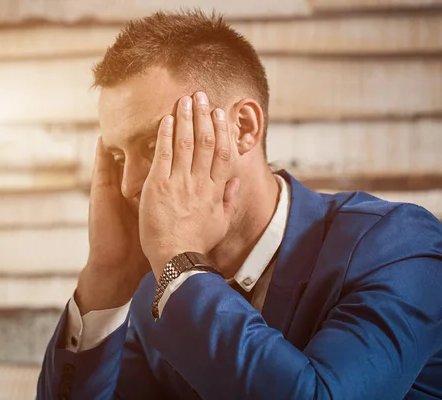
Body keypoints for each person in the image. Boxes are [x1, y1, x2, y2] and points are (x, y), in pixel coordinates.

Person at [36, 10, 442, 399]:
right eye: (120, 157)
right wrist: (105, 281)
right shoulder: (155, 297)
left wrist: (181, 265)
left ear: (244, 128)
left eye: (153, 145)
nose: (129, 186)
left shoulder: (398, 247)